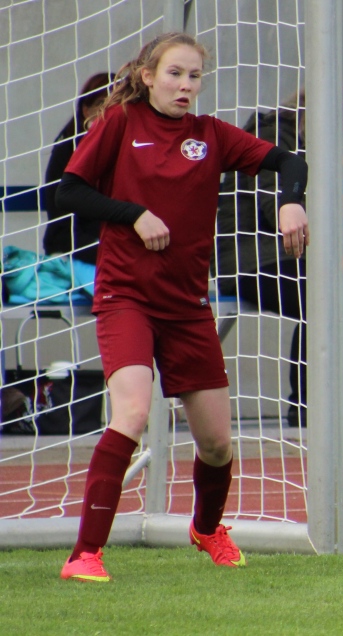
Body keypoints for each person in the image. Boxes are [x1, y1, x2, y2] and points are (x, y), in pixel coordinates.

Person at [54, 32, 308, 582]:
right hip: (126, 296)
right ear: (148, 76)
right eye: (174, 74)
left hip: (189, 305)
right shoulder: (120, 122)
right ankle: (85, 554)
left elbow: (289, 162)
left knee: (216, 443)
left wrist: (291, 203)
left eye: (194, 76)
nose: (185, 85)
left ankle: (206, 529)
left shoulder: (211, 135)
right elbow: (68, 191)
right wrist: (133, 214)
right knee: (132, 414)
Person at [214, 85, 343, 427]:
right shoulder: (272, 138)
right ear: (329, 116)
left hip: (281, 256)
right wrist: (332, 209)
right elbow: (278, 210)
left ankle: (339, 398)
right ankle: (308, 403)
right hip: (252, 260)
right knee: (326, 299)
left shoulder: (293, 139)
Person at [43, 72, 114, 265]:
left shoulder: (134, 148)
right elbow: (62, 227)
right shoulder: (66, 150)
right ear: (86, 110)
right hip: (75, 250)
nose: (108, 111)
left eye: (116, 103)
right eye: (101, 103)